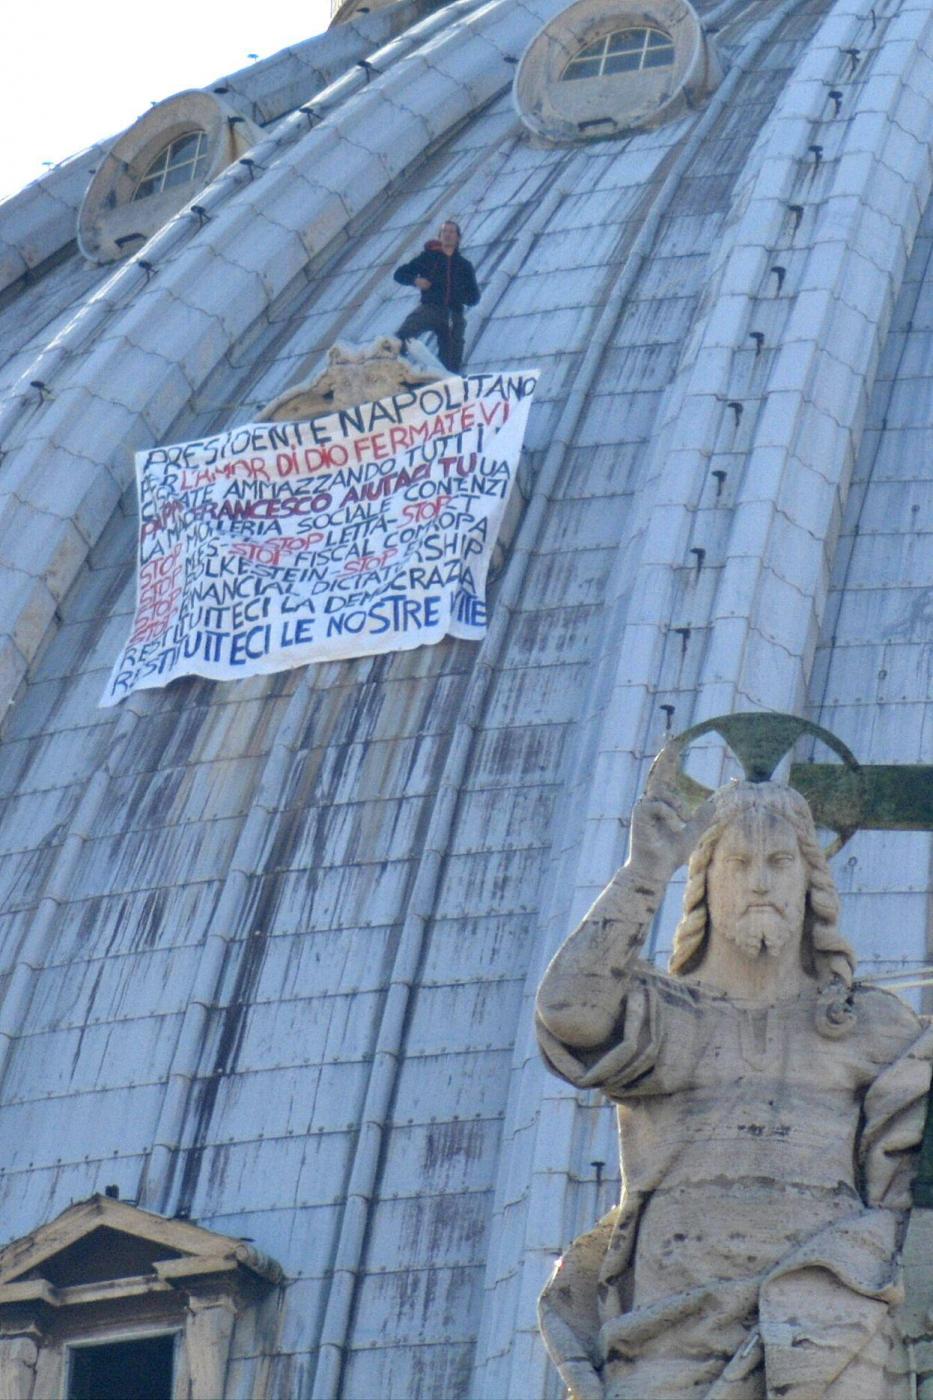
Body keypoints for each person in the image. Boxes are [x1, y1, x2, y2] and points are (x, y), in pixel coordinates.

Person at [535, 751, 933, 1400]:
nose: (760, 883)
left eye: (779, 863)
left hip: (826, 1334)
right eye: (739, 864)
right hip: (669, 1339)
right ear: (705, 882)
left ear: (808, 882)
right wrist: (645, 873)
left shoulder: (870, 1027)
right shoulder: (666, 1018)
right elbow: (568, 1012)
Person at [393, 220, 480, 373]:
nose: (447, 235)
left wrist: (459, 294)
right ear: (440, 236)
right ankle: (397, 370)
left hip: (454, 313)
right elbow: (399, 274)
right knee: (402, 336)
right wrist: (416, 280)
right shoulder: (428, 257)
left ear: (458, 238)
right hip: (431, 308)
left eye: (451, 232)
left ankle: (446, 381)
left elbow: (474, 297)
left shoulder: (464, 265)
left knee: (452, 361)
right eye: (444, 231)